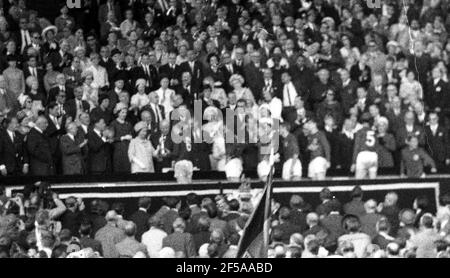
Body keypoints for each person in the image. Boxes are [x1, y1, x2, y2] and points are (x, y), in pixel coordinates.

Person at [110, 103, 133, 173]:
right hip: (118, 150)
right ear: (118, 113)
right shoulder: (113, 123)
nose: (124, 114)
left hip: (128, 149)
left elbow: (132, 134)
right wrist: (122, 138)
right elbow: (111, 139)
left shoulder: (128, 124)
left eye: (125, 112)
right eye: (122, 112)